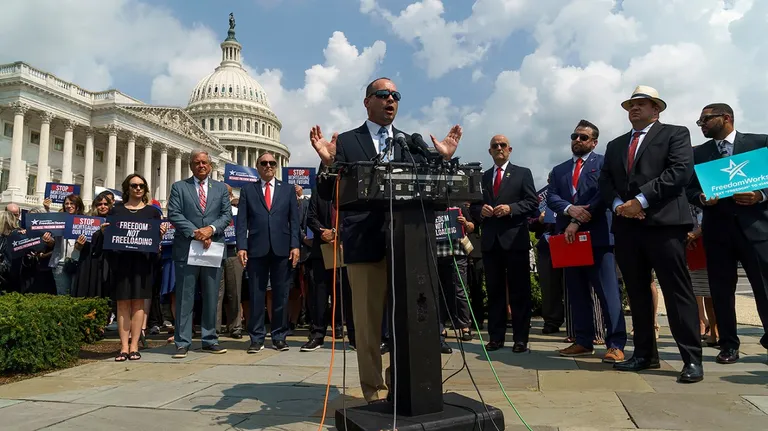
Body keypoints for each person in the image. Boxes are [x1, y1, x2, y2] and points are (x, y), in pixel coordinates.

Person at [309, 76, 461, 404]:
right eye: (383, 94)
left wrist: (442, 160)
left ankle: (405, 388)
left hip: (408, 246)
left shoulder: (410, 143)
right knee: (366, 325)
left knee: (410, 318)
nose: (390, 100)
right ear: (367, 101)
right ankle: (374, 394)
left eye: (395, 95)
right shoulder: (347, 142)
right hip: (364, 243)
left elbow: (430, 188)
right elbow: (326, 193)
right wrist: (327, 164)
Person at [598, 85, 702, 383]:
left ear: (656, 109)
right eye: (631, 104)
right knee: (638, 293)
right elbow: (605, 182)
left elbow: (679, 171)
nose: (634, 109)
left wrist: (639, 201)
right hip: (628, 227)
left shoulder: (675, 134)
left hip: (665, 225)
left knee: (676, 291)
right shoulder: (616, 144)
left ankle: (691, 359)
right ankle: (644, 354)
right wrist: (620, 205)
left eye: (641, 104)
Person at [687, 103, 768, 364]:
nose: (701, 125)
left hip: (756, 229)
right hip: (717, 231)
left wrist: (760, 195)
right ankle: (728, 345)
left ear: (726, 118)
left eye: (705, 120)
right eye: (699, 122)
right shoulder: (698, 154)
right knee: (720, 290)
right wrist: (701, 198)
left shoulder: (760, 143)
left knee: (764, 289)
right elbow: (689, 189)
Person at [546, 119, 627, 363]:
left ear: (594, 142)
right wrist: (570, 209)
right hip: (569, 239)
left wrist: (579, 217)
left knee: (608, 293)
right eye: (574, 136)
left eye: (583, 137)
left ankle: (615, 344)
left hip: (598, 237)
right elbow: (552, 197)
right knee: (577, 293)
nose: (577, 141)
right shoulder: (559, 170)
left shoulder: (604, 163)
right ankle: (583, 341)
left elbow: (602, 195)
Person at [167, 149, 232, 358]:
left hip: (212, 247)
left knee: (212, 296)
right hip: (188, 247)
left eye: (204, 162)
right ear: (191, 165)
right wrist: (196, 233)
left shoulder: (221, 188)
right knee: (185, 296)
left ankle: (209, 339)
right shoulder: (179, 187)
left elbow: (226, 215)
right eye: (197, 163)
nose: (201, 166)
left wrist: (210, 230)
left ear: (210, 165)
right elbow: (174, 213)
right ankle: (182, 342)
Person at [479, 134, 538, 353]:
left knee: (519, 291)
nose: (499, 148)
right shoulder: (483, 177)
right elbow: (474, 207)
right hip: (491, 242)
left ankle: (520, 339)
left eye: (503, 145)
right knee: (494, 292)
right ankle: (496, 337)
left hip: (515, 240)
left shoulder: (523, 173)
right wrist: (480, 211)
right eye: (495, 146)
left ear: (510, 149)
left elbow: (532, 202)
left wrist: (511, 209)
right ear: (490, 151)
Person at [236, 152, 300, 353]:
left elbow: (295, 221)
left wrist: (295, 245)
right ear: (257, 166)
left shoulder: (287, 190)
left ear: (276, 166)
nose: (268, 166)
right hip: (256, 248)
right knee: (256, 294)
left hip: (282, 248)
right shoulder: (248, 190)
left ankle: (279, 336)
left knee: (281, 294)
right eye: (264, 163)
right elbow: (242, 222)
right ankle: (256, 337)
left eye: (272, 163)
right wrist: (242, 246)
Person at [106, 174, 166, 361]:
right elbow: (110, 237)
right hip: (121, 262)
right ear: (127, 188)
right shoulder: (116, 211)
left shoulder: (153, 213)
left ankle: (134, 346)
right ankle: (123, 347)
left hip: (143, 262)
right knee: (122, 303)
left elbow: (155, 242)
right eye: (134, 185)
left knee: (139, 303)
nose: (138, 189)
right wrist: (104, 231)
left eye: (141, 186)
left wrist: (160, 235)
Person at [216, 183, 244, 339]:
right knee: (216, 293)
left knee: (235, 291)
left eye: (226, 194)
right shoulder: (211, 212)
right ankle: (214, 328)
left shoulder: (237, 212)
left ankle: (235, 327)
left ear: (231, 196)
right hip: (214, 252)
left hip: (233, 252)